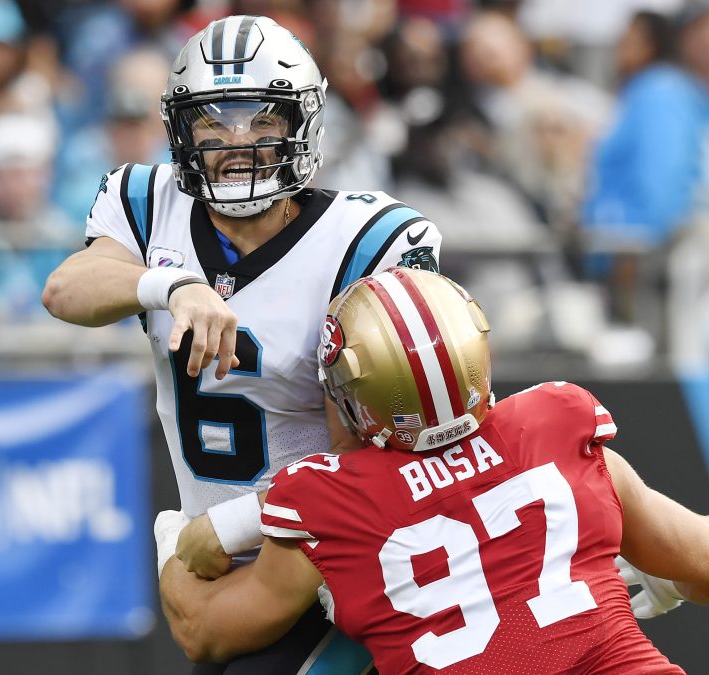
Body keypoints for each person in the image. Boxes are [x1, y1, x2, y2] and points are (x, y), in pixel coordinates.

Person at [42, 14, 441, 672]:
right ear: (181, 131)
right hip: (221, 566)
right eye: (213, 122)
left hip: (336, 564)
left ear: (301, 124)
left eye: (261, 120)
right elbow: (65, 290)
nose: (237, 142)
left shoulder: (366, 240)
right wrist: (171, 286)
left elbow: (385, 459)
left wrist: (235, 526)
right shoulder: (147, 202)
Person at [156, 267, 709, 673]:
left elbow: (200, 630)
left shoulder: (325, 505)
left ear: (354, 399)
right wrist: (660, 580)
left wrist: (172, 548)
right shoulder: (557, 425)